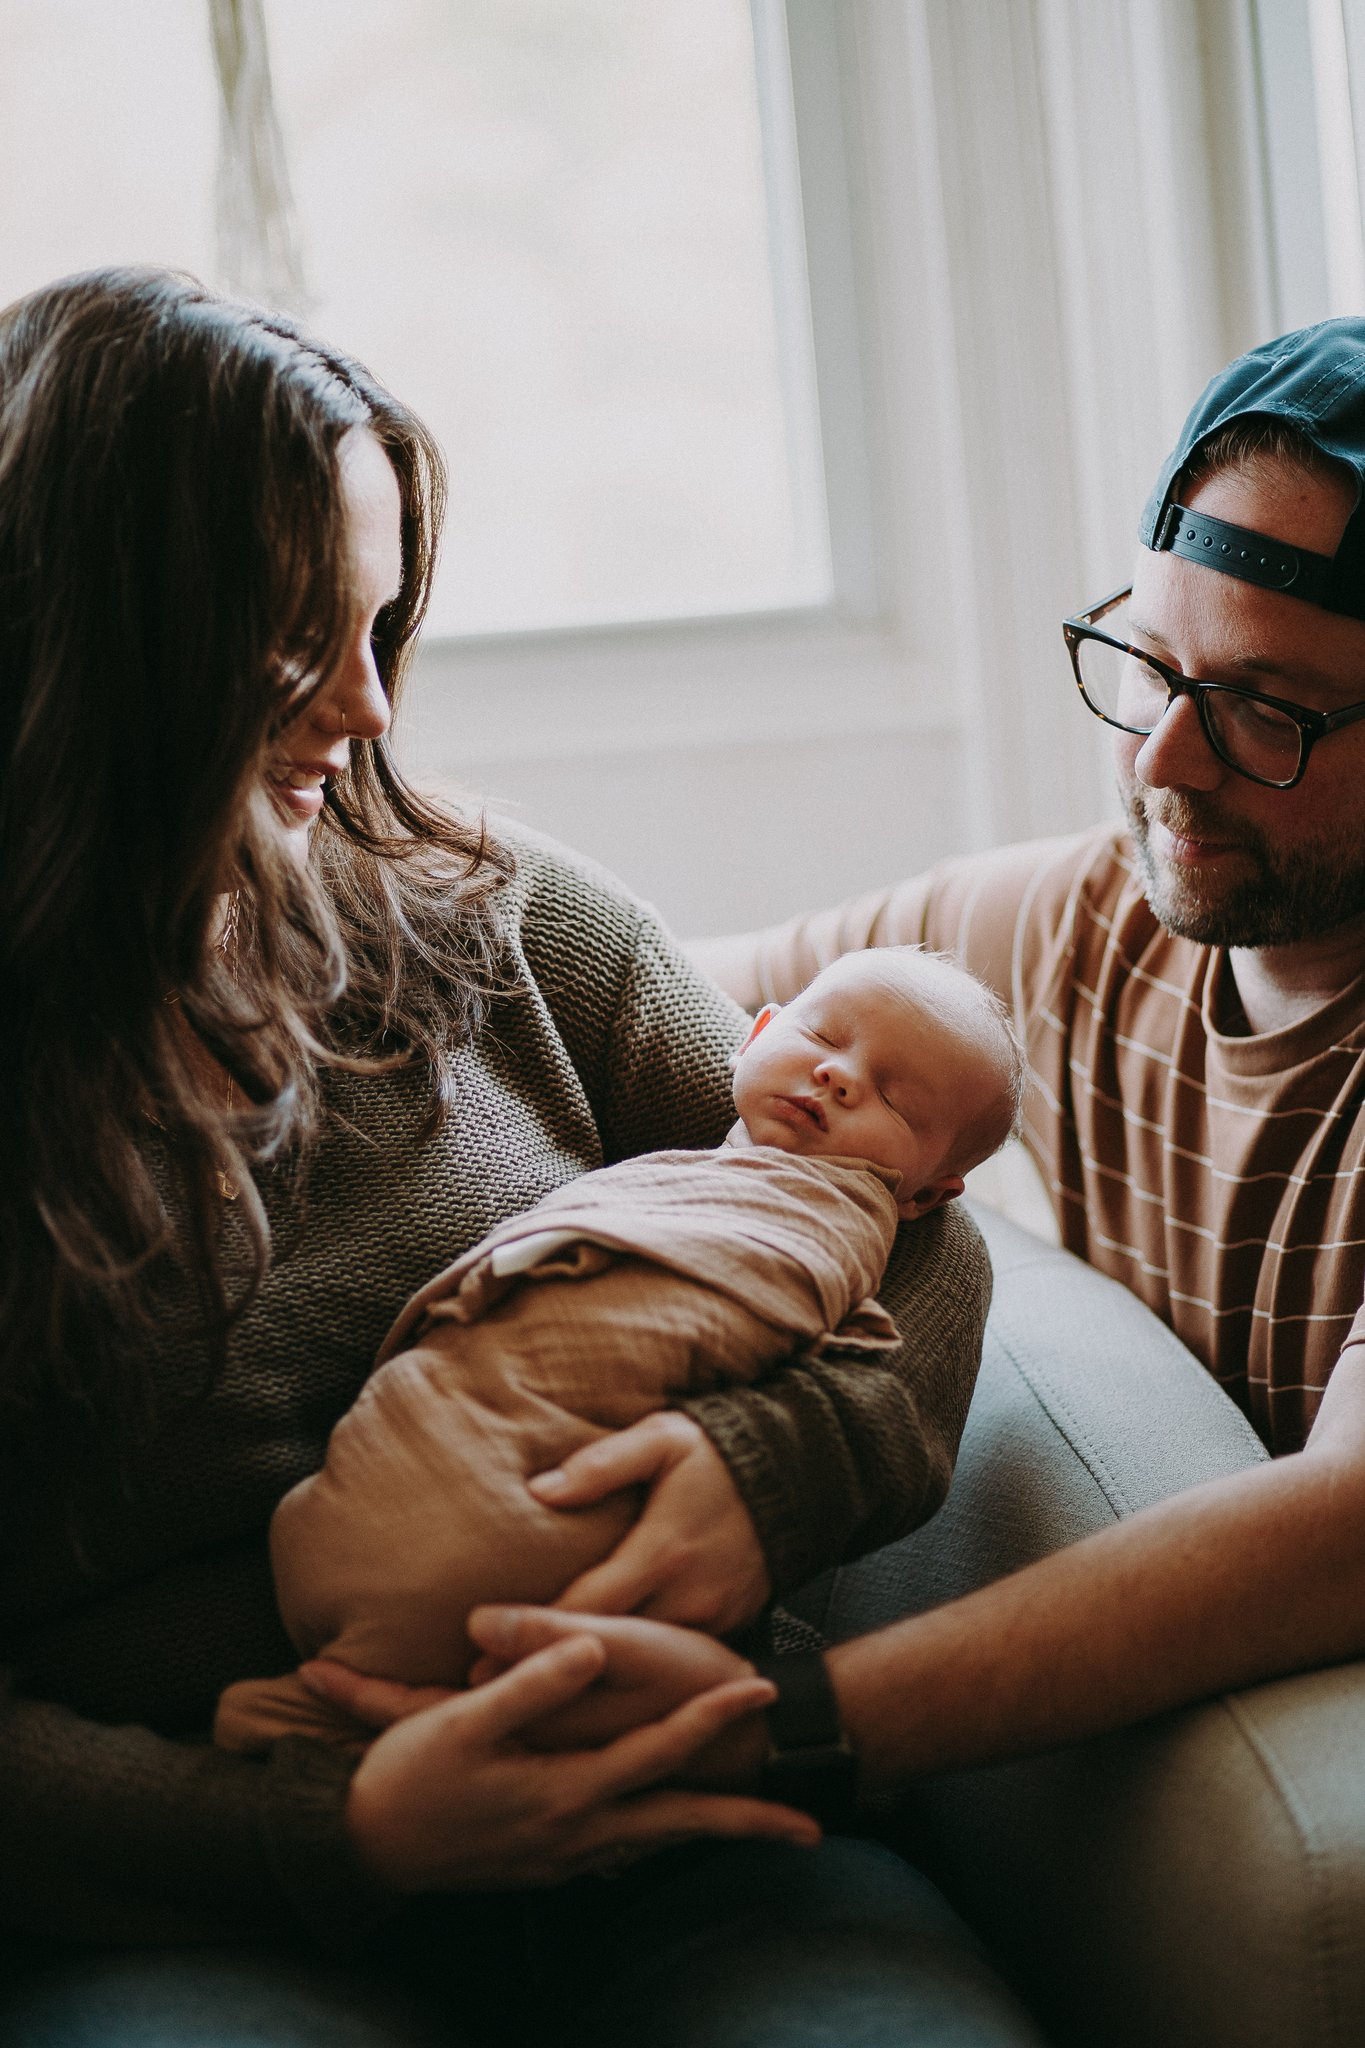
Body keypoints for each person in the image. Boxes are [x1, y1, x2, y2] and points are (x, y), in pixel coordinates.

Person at [0, 268, 1048, 2048]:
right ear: (101, 641)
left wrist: (772, 1466)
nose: (367, 708)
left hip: (673, 1816)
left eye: (381, 620)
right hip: (206, 1896)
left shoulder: (478, 914)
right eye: (289, 638)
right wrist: (337, 1826)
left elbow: (908, 1225)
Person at [420, 317, 1365, 1842]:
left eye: (1269, 709)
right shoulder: (1087, 923)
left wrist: (762, 1731)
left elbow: (1347, 1531)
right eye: (1147, 664)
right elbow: (636, 1007)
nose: (1160, 763)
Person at [214, 946, 1022, 1755]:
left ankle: (343, 1724)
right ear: (757, 1033)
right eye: (822, 1034)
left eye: (897, 1099)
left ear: (923, 1193)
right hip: (390, 1472)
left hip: (544, 1539)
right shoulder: (718, 1166)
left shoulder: (827, 1215)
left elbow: (908, 1292)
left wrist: (785, 1453)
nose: (841, 1076)